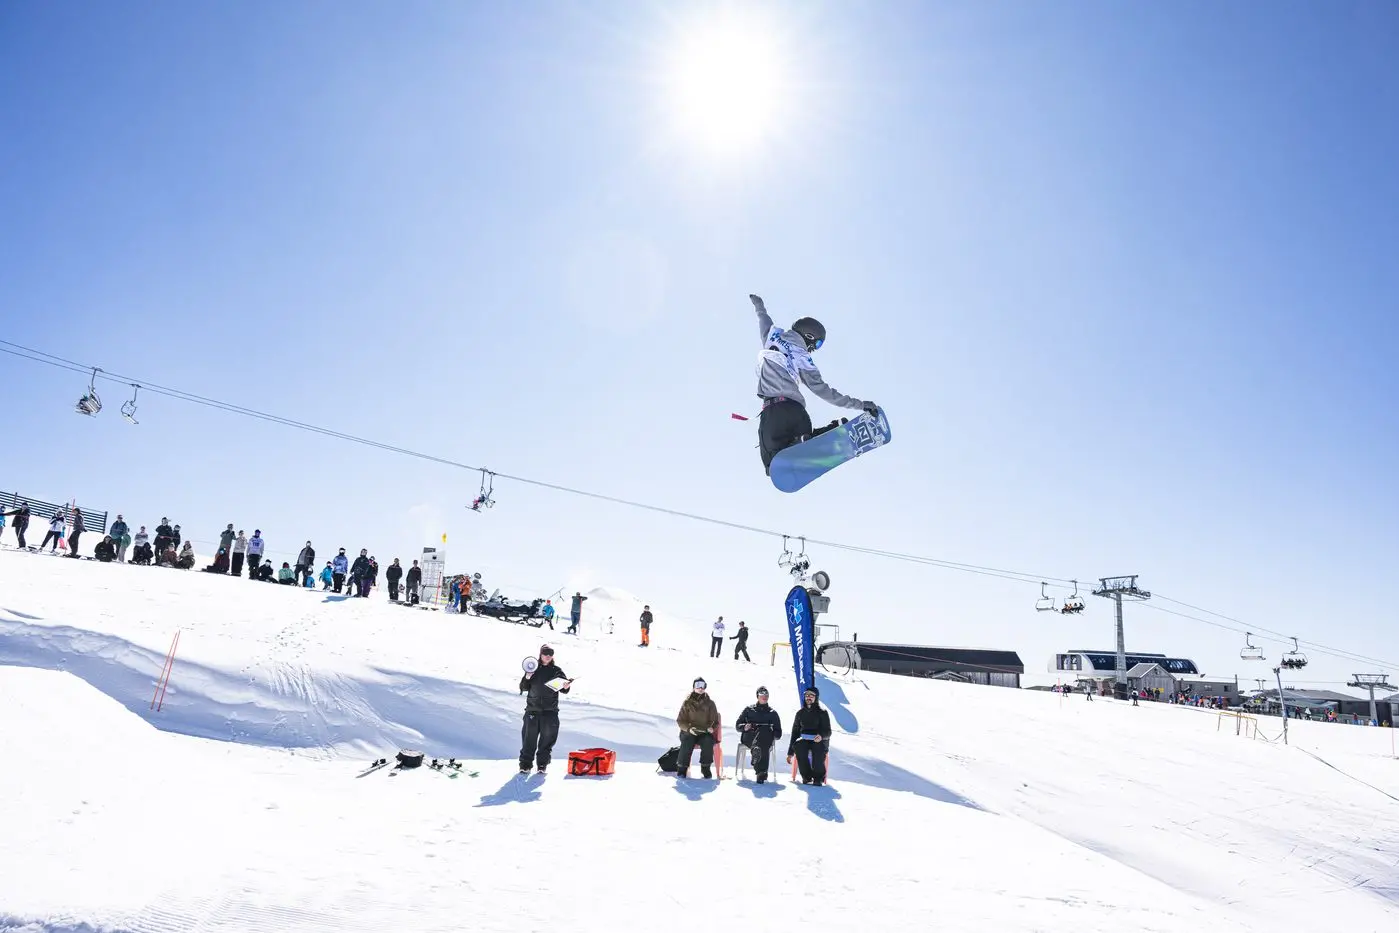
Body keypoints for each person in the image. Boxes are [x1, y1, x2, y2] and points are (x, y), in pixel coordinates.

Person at [750, 293, 878, 474]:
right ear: (809, 336)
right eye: (817, 344)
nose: (813, 349)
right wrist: (860, 405)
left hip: (774, 411)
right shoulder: (804, 359)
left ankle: (808, 440)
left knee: (773, 466)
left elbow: (763, 319)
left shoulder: (772, 337)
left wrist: (759, 305)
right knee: (800, 445)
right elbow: (825, 391)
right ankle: (825, 433)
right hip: (798, 413)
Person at [518, 645, 572, 774]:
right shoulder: (532, 667)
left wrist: (566, 685)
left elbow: (564, 689)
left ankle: (542, 765)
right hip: (532, 710)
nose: (548, 656)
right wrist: (527, 677)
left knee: (547, 740)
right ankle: (525, 765)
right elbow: (523, 687)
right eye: (545, 653)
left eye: (550, 654)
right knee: (528, 739)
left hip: (550, 711)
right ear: (540, 654)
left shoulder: (556, 670)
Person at [675, 678, 722, 779]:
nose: (700, 688)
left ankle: (705, 767)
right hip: (689, 731)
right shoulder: (687, 703)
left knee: (708, 740)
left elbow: (715, 721)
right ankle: (682, 768)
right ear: (693, 687)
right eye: (698, 685)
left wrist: (712, 728)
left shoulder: (710, 703)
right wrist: (688, 729)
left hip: (703, 732)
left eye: (703, 685)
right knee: (688, 740)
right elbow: (680, 721)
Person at [735, 686, 783, 783]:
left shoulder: (773, 713)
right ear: (757, 696)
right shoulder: (748, 710)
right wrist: (745, 726)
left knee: (763, 737)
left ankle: (760, 769)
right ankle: (762, 772)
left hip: (765, 738)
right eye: (762, 695)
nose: (764, 697)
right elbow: (737, 725)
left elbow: (778, 733)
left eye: (766, 695)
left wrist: (771, 731)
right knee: (761, 743)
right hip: (749, 737)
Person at [786, 685, 832, 785]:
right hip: (805, 739)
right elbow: (795, 733)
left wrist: (821, 736)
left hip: (819, 740)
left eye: (811, 695)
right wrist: (790, 753)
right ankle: (806, 776)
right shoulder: (800, 713)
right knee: (798, 746)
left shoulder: (822, 713)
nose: (809, 697)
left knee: (817, 748)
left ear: (816, 698)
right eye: (807, 695)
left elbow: (828, 732)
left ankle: (818, 778)